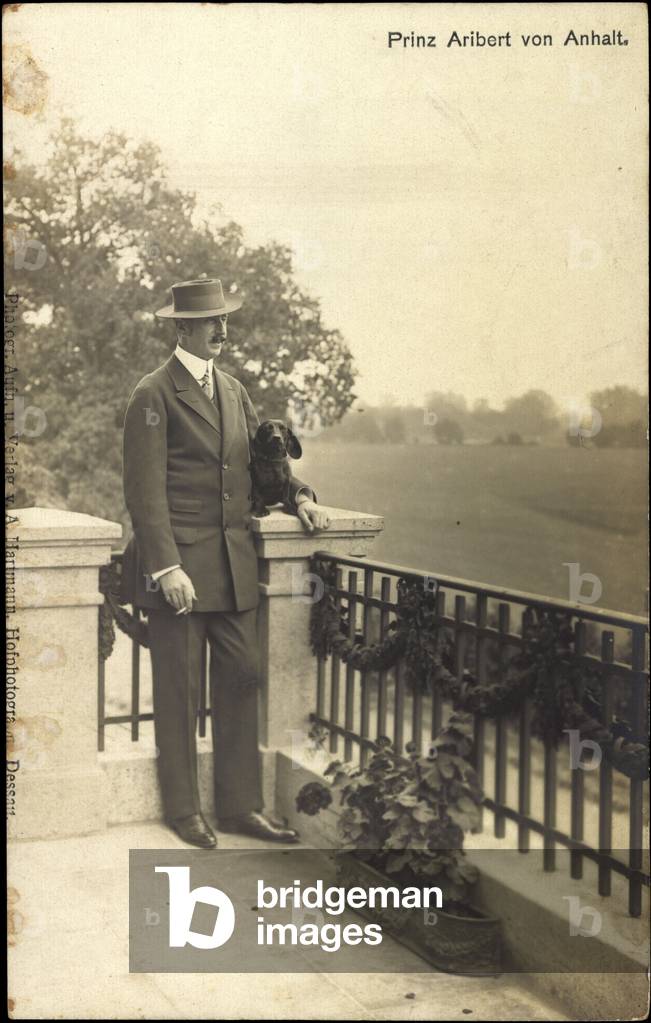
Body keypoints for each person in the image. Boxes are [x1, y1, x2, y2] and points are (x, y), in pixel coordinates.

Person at [121, 277, 330, 847]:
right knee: (179, 692)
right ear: (183, 327)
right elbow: (144, 492)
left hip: (235, 568)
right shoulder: (153, 394)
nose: (222, 328)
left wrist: (302, 498)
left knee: (243, 677)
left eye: (224, 319)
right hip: (181, 574)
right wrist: (166, 569)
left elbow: (263, 466)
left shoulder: (234, 390)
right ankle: (184, 811)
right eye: (211, 320)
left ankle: (241, 807)